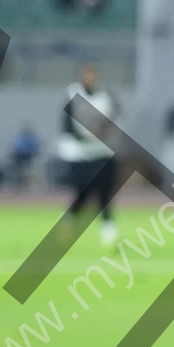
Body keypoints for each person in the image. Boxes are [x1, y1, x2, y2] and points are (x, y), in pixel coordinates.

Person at [56, 62, 119, 243]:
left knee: (104, 192)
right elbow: (66, 125)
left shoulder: (105, 97)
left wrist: (102, 132)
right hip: (79, 154)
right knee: (82, 193)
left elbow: (113, 118)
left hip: (101, 152)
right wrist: (85, 137)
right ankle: (69, 218)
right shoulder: (73, 95)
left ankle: (108, 230)